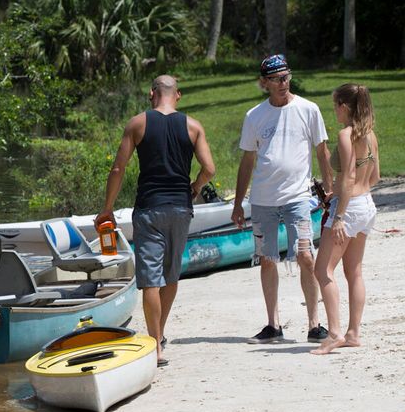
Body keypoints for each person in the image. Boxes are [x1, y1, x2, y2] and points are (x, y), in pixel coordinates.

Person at [95, 75, 216, 366]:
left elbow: (118, 169)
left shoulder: (138, 123)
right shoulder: (193, 126)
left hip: (149, 208)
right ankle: (159, 334)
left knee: (151, 280)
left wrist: (107, 209)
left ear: (152, 94)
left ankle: (155, 347)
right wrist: (196, 187)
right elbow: (209, 168)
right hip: (180, 208)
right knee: (170, 276)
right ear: (179, 95)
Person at [231, 54, 333, 345]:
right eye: (275, 79)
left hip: (298, 197)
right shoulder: (254, 116)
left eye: (286, 77)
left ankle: (315, 325)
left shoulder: (308, 109)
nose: (282, 83)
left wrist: (330, 189)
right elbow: (247, 161)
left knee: (305, 256)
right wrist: (238, 203)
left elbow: (322, 151)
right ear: (264, 83)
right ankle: (273, 325)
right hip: (263, 199)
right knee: (267, 259)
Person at [311, 84, 380, 355]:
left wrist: (338, 215)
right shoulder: (370, 136)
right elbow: (373, 177)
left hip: (349, 209)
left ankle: (334, 333)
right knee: (355, 272)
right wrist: (334, 194)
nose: (334, 111)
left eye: (335, 106)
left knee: (323, 271)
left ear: (344, 106)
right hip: (366, 205)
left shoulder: (345, 134)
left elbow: (349, 175)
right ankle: (353, 333)